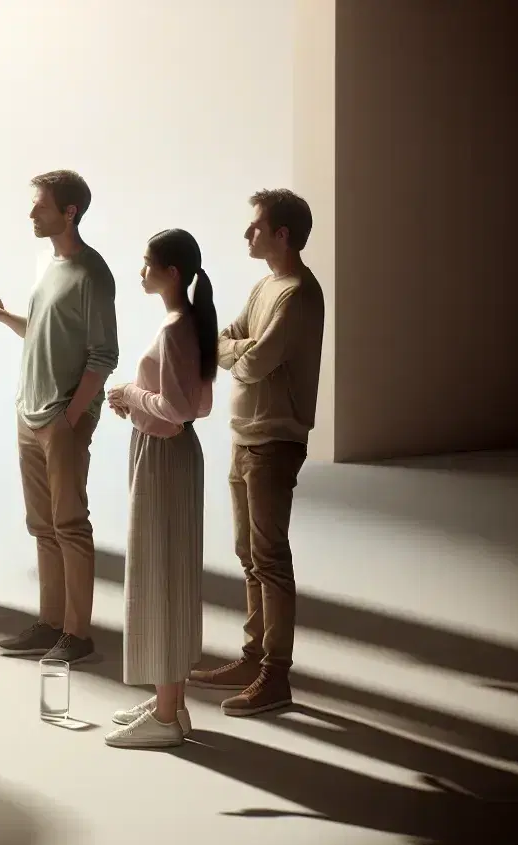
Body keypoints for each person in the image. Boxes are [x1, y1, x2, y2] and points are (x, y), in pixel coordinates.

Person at [0, 170, 118, 664]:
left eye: (41, 206)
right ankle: (51, 622)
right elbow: (42, 331)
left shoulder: (92, 273)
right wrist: (2, 316)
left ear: (69, 212)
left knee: (70, 524)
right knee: (42, 525)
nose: (31, 213)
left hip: (59, 420)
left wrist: (70, 418)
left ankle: (78, 634)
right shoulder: (50, 265)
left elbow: (102, 356)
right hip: (29, 413)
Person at [189, 189, 326, 717]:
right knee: (249, 557)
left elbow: (254, 361)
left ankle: (275, 676)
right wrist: (239, 349)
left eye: (256, 227)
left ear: (281, 234)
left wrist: (239, 352)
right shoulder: (265, 284)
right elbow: (226, 339)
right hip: (244, 434)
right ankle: (252, 658)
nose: (248, 234)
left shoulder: (296, 293)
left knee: (270, 560)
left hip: (275, 441)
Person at [102, 229, 217, 748]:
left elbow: (173, 412)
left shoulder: (175, 329)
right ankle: (171, 701)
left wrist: (130, 393)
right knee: (169, 572)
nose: (140, 272)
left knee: (160, 573)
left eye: (148, 264)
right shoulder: (191, 323)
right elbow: (199, 406)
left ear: (172, 273)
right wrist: (140, 401)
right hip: (176, 457)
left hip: (163, 458)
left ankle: (167, 717)